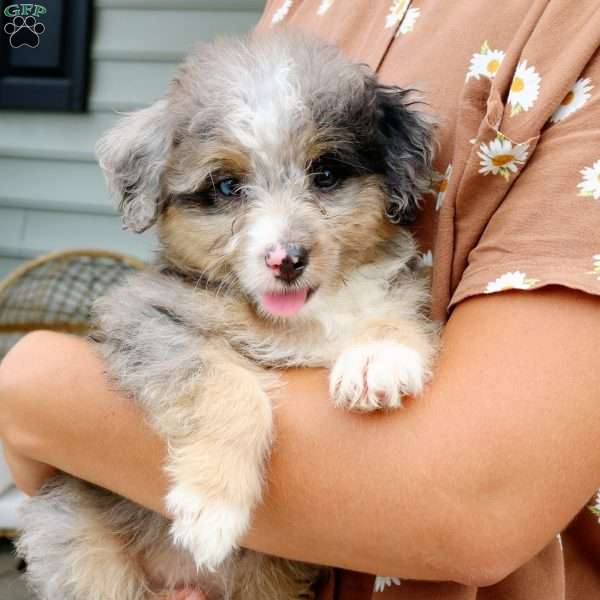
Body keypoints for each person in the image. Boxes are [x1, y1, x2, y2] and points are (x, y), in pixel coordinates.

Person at [2, 1, 600, 598]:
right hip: (119, 550)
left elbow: (479, 504)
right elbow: (145, 353)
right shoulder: (301, 11)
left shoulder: (574, 34)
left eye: (326, 176)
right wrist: (222, 426)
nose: (282, 246)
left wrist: (39, 388)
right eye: (229, 187)